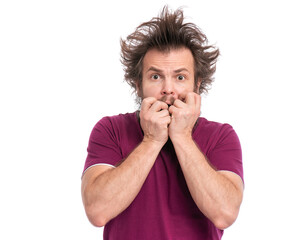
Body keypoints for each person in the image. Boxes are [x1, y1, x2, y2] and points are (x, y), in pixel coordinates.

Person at [81, 6, 244, 240]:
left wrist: (183, 137)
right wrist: (152, 140)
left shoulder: (221, 135)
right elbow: (97, 212)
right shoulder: (110, 129)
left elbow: (225, 213)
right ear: (138, 84)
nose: (168, 89)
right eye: (155, 76)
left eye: (180, 77)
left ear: (197, 85)